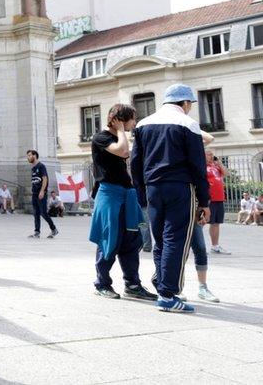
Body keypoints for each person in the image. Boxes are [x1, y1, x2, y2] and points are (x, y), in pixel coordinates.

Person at [131, 84, 210, 313]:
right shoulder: (188, 124)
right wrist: (204, 201)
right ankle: (167, 293)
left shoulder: (143, 125)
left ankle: (162, 281)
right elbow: (198, 166)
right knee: (176, 239)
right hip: (180, 187)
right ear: (184, 103)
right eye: (190, 105)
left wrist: (141, 194)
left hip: (153, 187)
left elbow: (135, 164)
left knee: (160, 239)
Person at [88, 104, 157, 301]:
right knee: (109, 238)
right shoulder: (101, 137)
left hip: (127, 193)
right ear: (121, 119)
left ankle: (133, 285)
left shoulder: (119, 136)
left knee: (131, 240)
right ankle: (102, 283)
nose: (134, 123)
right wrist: (120, 131)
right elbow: (124, 152)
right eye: (132, 119)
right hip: (109, 193)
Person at [204, 149, 231, 254]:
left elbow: (227, 174)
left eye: (212, 154)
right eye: (209, 154)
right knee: (201, 222)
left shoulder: (216, 166)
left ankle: (215, 246)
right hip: (208, 199)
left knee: (216, 223)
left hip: (219, 198)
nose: (212, 156)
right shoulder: (201, 166)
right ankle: (196, 245)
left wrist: (219, 163)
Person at [27, 149, 58, 238]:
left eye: (29, 155)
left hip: (41, 193)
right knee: (36, 213)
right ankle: (37, 232)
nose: (28, 157)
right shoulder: (33, 168)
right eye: (28, 156)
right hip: (34, 194)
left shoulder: (41, 166)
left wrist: (42, 191)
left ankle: (54, 229)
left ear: (34, 156)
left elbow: (45, 179)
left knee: (43, 213)